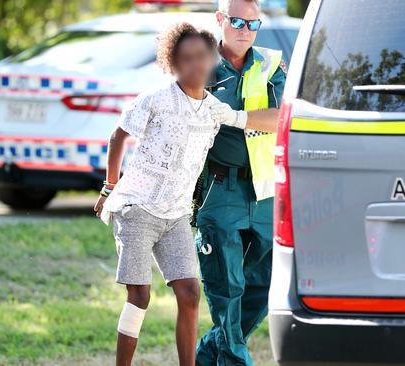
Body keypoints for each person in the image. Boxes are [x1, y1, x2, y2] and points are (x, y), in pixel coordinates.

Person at [92, 22, 268, 366]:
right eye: (186, 59)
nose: (196, 65)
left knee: (190, 293)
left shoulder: (215, 108)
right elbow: (118, 137)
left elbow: (248, 119)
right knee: (140, 296)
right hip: (137, 208)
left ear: (211, 60)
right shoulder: (156, 99)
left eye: (202, 57)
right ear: (173, 64)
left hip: (175, 216)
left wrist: (292, 112)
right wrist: (110, 187)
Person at [194, 0, 286, 364]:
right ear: (220, 20)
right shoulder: (199, 61)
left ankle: (207, 353)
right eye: (236, 21)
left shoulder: (269, 62)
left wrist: (232, 116)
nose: (245, 30)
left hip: (263, 190)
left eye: (252, 24)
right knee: (226, 286)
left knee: (264, 286)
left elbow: (278, 117)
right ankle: (235, 359)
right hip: (219, 189)